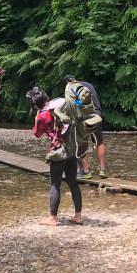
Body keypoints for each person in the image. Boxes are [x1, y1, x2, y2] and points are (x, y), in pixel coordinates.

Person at [29, 87, 83, 226]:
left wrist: (36, 117)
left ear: (35, 105)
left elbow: (37, 133)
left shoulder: (42, 115)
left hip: (58, 151)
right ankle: (78, 216)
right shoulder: (59, 105)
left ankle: (53, 218)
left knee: (55, 184)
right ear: (46, 98)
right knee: (73, 183)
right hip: (71, 149)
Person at [67, 76, 107, 179]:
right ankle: (102, 170)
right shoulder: (88, 85)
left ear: (67, 82)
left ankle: (86, 171)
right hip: (97, 115)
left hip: (85, 118)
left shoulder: (71, 88)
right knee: (99, 142)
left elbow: (72, 107)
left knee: (81, 143)